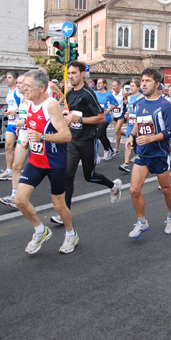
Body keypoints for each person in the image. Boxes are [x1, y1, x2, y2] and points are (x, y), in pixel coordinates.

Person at [13, 69, 77, 254]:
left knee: (58, 205)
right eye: (23, 85)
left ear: (41, 88)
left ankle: (71, 234)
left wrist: (41, 137)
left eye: (27, 86)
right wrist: (28, 139)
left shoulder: (51, 105)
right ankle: (40, 230)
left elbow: (66, 135)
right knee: (19, 199)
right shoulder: (29, 103)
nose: (24, 89)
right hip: (35, 160)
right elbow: (36, 127)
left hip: (54, 163)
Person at [56, 61, 122, 225]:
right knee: (67, 176)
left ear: (82, 74)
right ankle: (65, 214)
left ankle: (113, 186)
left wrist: (80, 119)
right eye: (69, 73)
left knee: (89, 176)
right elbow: (71, 116)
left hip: (87, 141)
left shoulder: (88, 94)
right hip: (73, 140)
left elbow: (100, 118)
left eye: (74, 73)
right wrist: (66, 122)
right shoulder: (70, 94)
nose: (71, 76)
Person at [125, 68, 171, 239]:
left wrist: (150, 139)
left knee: (166, 189)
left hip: (159, 154)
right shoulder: (138, 103)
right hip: (142, 153)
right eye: (142, 80)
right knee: (134, 190)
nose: (143, 84)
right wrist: (132, 136)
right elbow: (138, 124)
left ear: (157, 84)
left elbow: (170, 132)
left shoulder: (165, 105)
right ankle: (142, 222)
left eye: (147, 80)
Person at [0, 75, 30, 208]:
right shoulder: (22, 98)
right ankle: (14, 197)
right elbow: (22, 114)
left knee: (44, 170)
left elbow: (41, 118)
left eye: (20, 83)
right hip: (23, 135)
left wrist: (26, 121)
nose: (17, 85)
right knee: (17, 166)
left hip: (37, 137)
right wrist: (20, 125)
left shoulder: (34, 99)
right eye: (17, 83)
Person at [0, 71, 22, 181]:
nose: (7, 79)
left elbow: (26, 105)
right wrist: (8, 112)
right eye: (6, 77)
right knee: (8, 146)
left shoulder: (18, 91)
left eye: (9, 77)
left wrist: (16, 111)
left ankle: (21, 169)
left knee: (24, 147)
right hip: (11, 123)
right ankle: (9, 170)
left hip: (20, 123)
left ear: (15, 80)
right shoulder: (9, 92)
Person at [119, 78, 142, 173]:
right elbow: (129, 109)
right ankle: (126, 164)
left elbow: (142, 111)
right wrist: (127, 114)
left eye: (132, 86)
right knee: (128, 142)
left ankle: (142, 162)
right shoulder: (129, 97)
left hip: (138, 124)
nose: (130, 88)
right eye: (130, 86)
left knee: (138, 144)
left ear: (138, 87)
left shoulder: (141, 97)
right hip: (130, 124)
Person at [94, 78, 119, 161]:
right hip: (97, 117)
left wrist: (109, 109)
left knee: (98, 134)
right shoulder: (94, 93)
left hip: (106, 118)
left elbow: (116, 104)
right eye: (97, 83)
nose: (98, 84)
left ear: (104, 84)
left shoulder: (108, 95)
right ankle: (111, 150)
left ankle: (106, 150)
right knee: (103, 135)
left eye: (100, 83)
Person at [111, 80, 125, 155]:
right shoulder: (112, 92)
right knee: (117, 131)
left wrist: (126, 100)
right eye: (113, 86)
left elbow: (131, 96)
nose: (114, 87)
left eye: (115, 86)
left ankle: (117, 148)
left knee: (117, 130)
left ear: (119, 86)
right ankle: (129, 134)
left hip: (121, 114)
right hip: (115, 114)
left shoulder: (123, 92)